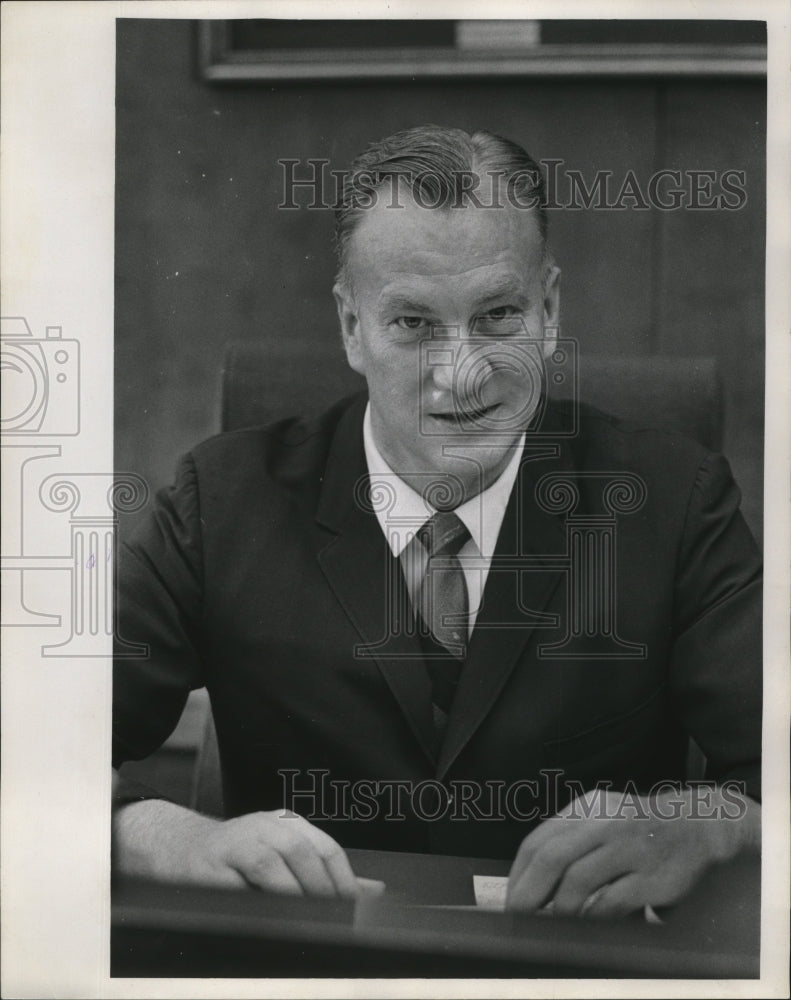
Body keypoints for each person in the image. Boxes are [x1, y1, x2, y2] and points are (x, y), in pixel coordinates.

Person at [112, 125, 761, 918]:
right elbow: (38, 744)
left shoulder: (675, 499)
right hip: (305, 966)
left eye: (497, 316)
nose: (463, 373)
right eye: (414, 324)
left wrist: (700, 824)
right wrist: (160, 835)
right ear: (353, 328)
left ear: (548, 311)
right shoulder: (221, 501)